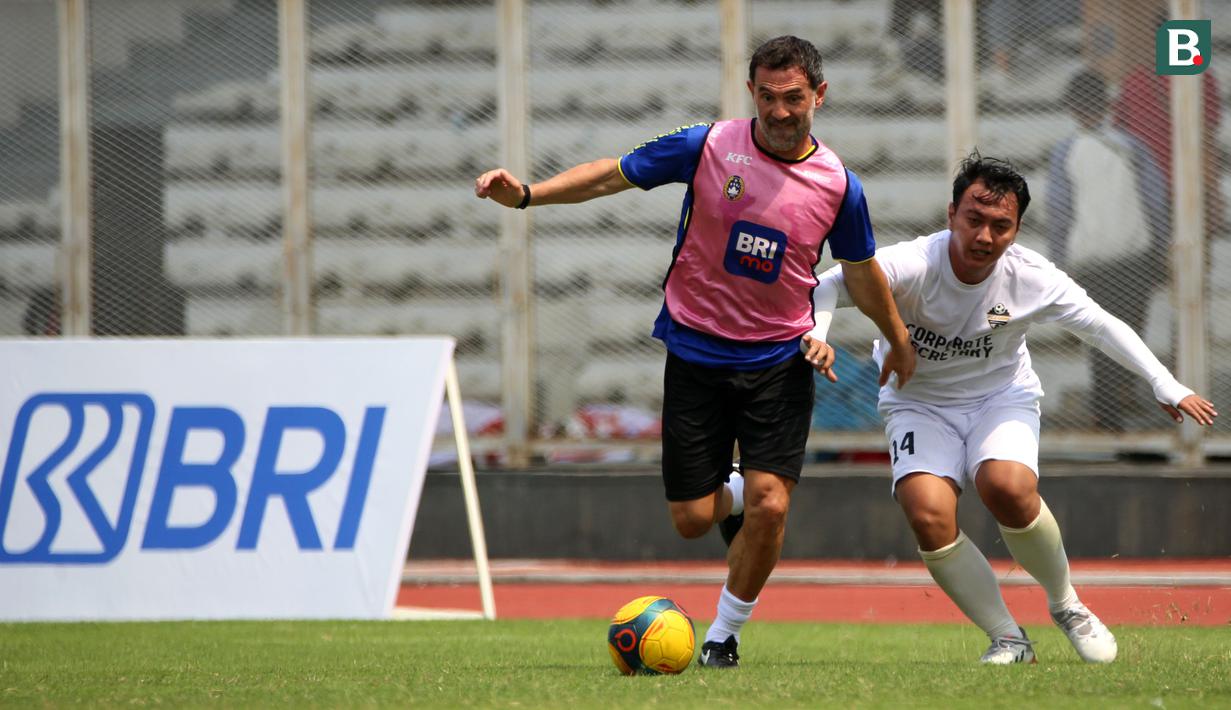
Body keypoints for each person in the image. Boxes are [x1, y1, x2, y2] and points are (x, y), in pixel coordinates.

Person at [475, 35, 915, 668]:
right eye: (768, 97)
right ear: (751, 94)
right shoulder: (708, 146)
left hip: (778, 361)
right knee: (690, 519)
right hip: (696, 354)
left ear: (819, 95)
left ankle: (722, 636)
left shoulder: (839, 185)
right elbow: (612, 175)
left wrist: (897, 337)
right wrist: (527, 195)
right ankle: (740, 491)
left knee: (772, 503)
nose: (781, 111)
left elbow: (862, 271)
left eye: (794, 98)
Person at [805, 154, 1217, 664]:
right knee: (928, 515)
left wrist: (1164, 383)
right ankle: (1008, 638)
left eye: (1001, 226)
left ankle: (1067, 605)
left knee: (1006, 487)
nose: (984, 236)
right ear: (952, 212)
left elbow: (1101, 323)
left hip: (999, 397)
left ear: (1017, 230)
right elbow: (832, 281)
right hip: (919, 404)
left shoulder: (1030, 276)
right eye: (974, 219)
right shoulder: (915, 262)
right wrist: (818, 336)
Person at [1047, 69, 1169, 432]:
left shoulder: (1064, 154)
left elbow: (1059, 211)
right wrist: (1161, 247)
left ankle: (1105, 412)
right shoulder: (1132, 147)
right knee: (1131, 330)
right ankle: (1125, 395)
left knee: (1099, 336)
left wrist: (1059, 262)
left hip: (1091, 261)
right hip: (1135, 255)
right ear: (1107, 104)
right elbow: (1155, 199)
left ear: (1071, 108)